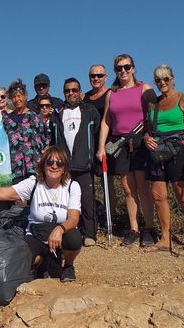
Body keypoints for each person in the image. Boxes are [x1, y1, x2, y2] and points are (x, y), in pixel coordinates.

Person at [0, 146, 82, 282]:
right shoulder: (34, 183)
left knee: (74, 238)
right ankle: (43, 261)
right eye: (50, 162)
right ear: (43, 165)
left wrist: (60, 229)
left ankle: (68, 265)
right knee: (21, 260)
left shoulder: (72, 186)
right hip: (36, 234)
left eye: (59, 163)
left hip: (61, 234)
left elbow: (73, 218)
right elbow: (7, 193)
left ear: (64, 168)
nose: (54, 166)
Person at [96, 54, 157, 247]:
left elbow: (155, 115)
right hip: (119, 143)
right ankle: (134, 228)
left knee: (143, 188)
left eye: (127, 67)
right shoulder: (111, 94)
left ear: (134, 68)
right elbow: (106, 121)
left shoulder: (144, 89)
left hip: (140, 142)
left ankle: (149, 228)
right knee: (128, 189)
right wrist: (101, 147)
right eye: (119, 68)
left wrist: (151, 135)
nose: (123, 71)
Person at [144, 65, 184, 256]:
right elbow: (149, 128)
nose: (162, 83)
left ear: (173, 79)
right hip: (156, 152)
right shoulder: (154, 103)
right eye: (158, 80)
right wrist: (146, 138)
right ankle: (165, 238)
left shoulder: (183, 98)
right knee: (158, 196)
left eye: (166, 79)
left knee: (182, 194)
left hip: (178, 150)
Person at [55, 78, 100, 247]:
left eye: (74, 90)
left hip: (84, 163)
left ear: (80, 92)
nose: (71, 93)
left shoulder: (90, 111)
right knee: (65, 201)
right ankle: (69, 231)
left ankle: (89, 233)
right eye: (68, 90)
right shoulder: (58, 113)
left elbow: (96, 132)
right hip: (65, 165)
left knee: (87, 200)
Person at [83, 64, 118, 224]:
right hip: (87, 146)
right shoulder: (84, 97)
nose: (96, 78)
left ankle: (110, 217)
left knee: (107, 184)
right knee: (87, 184)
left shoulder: (112, 94)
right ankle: (90, 218)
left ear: (105, 77)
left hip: (106, 144)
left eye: (99, 75)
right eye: (92, 76)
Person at [3, 79, 48, 186]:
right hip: (14, 171)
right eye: (13, 97)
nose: (17, 99)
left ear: (25, 96)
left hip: (35, 169)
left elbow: (47, 140)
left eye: (19, 96)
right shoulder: (6, 121)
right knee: (16, 202)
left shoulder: (36, 117)